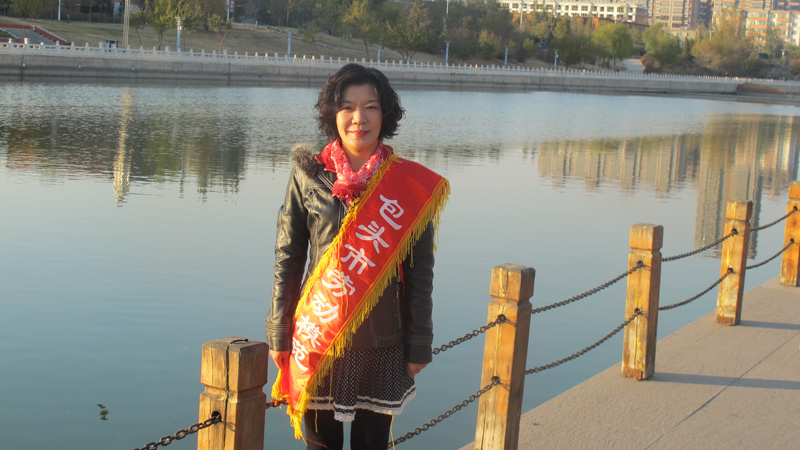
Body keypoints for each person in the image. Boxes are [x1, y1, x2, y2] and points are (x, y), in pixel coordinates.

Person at [266, 63, 449, 450]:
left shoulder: (406, 186)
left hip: (382, 342)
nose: (359, 118)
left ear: (386, 114)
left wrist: (420, 342)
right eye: (347, 107)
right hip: (319, 334)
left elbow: (420, 275)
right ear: (333, 115)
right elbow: (288, 259)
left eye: (371, 107)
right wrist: (279, 331)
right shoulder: (308, 176)